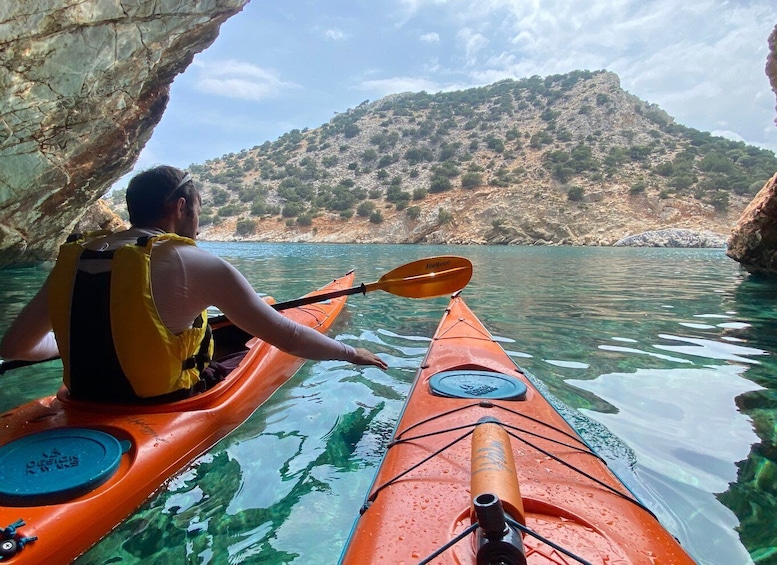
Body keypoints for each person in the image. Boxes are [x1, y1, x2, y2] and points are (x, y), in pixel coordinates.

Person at [0, 165, 387, 402]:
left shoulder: (77, 255)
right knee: (250, 347)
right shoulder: (198, 263)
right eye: (198, 210)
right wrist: (352, 354)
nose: (198, 223)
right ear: (180, 207)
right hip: (162, 401)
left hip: (83, 397)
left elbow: (16, 346)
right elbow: (286, 335)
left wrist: (81, 345)